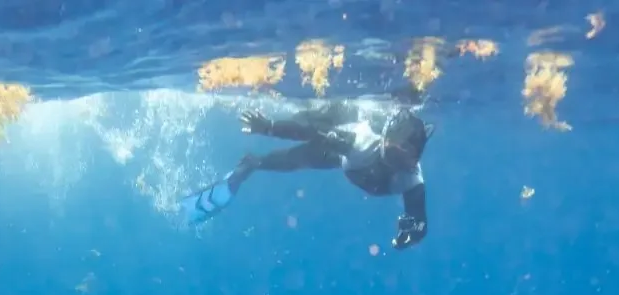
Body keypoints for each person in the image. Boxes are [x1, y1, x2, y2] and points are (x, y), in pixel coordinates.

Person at [180, 95, 433, 249]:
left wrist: (410, 235)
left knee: (302, 157)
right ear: (383, 143)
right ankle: (252, 164)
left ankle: (253, 163)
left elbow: (419, 223)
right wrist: (269, 127)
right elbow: (309, 132)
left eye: (403, 160)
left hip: (350, 163)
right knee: (305, 143)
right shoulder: (361, 141)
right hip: (345, 135)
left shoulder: (410, 178)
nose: (395, 163)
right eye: (393, 154)